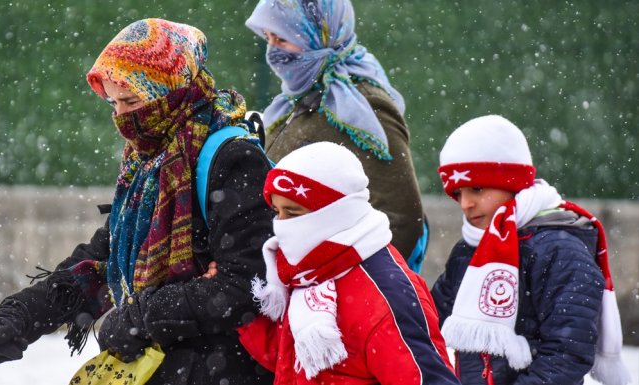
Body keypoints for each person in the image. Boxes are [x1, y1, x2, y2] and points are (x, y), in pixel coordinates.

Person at [0, 18, 275, 385]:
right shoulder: (150, 163)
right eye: (114, 104)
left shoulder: (231, 159)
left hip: (226, 371)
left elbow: (249, 285)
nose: (122, 118)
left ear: (172, 88)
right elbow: (103, 257)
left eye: (132, 101)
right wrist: (23, 314)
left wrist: (141, 318)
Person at [430, 115, 631, 385]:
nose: (465, 204)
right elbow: (427, 321)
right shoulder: (471, 249)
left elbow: (567, 352)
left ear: (511, 182)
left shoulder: (560, 250)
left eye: (477, 189)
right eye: (457, 194)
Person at [237, 142, 460, 384]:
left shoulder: (386, 293)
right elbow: (295, 361)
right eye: (277, 212)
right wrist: (239, 310)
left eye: (292, 214)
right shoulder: (309, 272)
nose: (280, 226)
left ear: (333, 213)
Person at [244, 0, 426, 265]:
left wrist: (345, 283)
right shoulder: (294, 101)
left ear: (317, 37)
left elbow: (402, 218)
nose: (273, 52)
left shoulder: (361, 105)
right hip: (287, 277)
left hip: (328, 291)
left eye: (282, 39)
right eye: (268, 38)